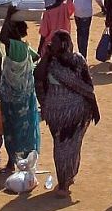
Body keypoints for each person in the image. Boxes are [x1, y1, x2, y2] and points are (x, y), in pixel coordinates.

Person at [34, 30, 99, 195]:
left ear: (64, 44)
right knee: (60, 148)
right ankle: (62, 180)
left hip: (76, 113)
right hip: (56, 114)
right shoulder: (49, 62)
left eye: (55, 42)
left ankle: (67, 178)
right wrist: (47, 56)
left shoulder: (77, 60)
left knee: (72, 147)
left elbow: (87, 86)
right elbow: (38, 76)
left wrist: (93, 107)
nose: (52, 45)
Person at [0, 23, 40, 168]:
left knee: (10, 127)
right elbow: (36, 57)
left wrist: (8, 16)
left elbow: (2, 37)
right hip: (25, 96)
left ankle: (11, 161)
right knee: (25, 127)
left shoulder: (14, 46)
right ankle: (26, 159)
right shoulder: (25, 47)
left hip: (10, 96)